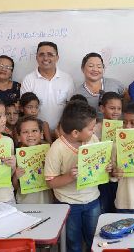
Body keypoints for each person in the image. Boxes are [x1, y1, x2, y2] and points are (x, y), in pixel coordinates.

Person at [45, 101, 112, 252]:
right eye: (90, 129)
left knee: (94, 240)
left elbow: (100, 165)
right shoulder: (57, 149)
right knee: (73, 242)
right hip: (68, 205)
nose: (94, 131)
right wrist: (70, 176)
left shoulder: (93, 140)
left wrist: (106, 167)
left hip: (93, 200)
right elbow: (50, 182)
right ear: (75, 133)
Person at [21, 41, 75, 133]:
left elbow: (71, 108)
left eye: (50, 54)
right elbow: (26, 111)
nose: (45, 58)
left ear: (57, 58)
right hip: (37, 136)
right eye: (41, 54)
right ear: (36, 58)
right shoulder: (28, 80)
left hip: (63, 133)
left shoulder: (67, 79)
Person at [12, 116, 53, 204]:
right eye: (25, 132)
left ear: (41, 134)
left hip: (47, 200)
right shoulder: (16, 157)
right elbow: (14, 187)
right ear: (18, 136)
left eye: (34, 131)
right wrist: (16, 176)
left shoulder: (49, 154)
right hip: (26, 202)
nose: (30, 135)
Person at [94, 92, 122, 213]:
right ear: (102, 108)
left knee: (117, 205)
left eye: (119, 109)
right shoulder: (95, 128)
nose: (116, 112)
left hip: (118, 173)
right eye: (112, 108)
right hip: (102, 174)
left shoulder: (124, 127)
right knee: (104, 206)